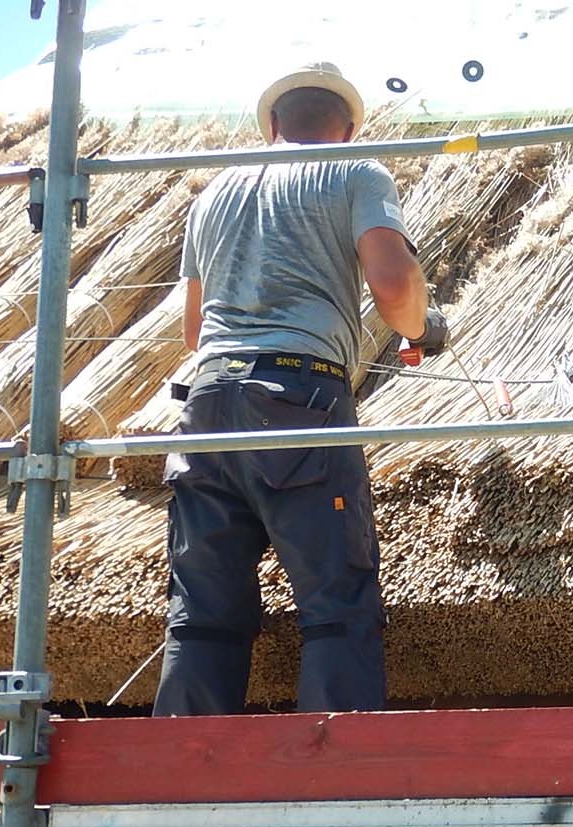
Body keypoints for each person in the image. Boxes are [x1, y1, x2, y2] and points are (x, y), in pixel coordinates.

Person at [153, 63, 432, 715]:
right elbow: (393, 284)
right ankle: (335, 783)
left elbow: (194, 330)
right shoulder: (356, 171)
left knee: (201, 613)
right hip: (298, 397)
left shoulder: (215, 192)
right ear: (349, 128)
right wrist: (417, 326)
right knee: (336, 602)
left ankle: (175, 778)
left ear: (273, 124)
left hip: (209, 403)